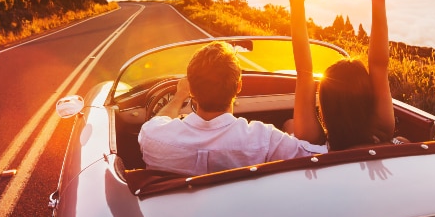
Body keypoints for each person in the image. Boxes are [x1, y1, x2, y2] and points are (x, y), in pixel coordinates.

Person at [138, 41, 327, 175]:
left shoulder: (152, 136)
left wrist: (179, 96)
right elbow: (320, 156)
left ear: (192, 90)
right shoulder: (264, 139)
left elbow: (158, 121)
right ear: (238, 87)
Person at [289, 0, 406, 150]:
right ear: (369, 98)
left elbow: (304, 73)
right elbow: (378, 65)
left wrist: (297, 5)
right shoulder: (382, 128)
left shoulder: (313, 141)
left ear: (325, 105)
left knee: (288, 125)